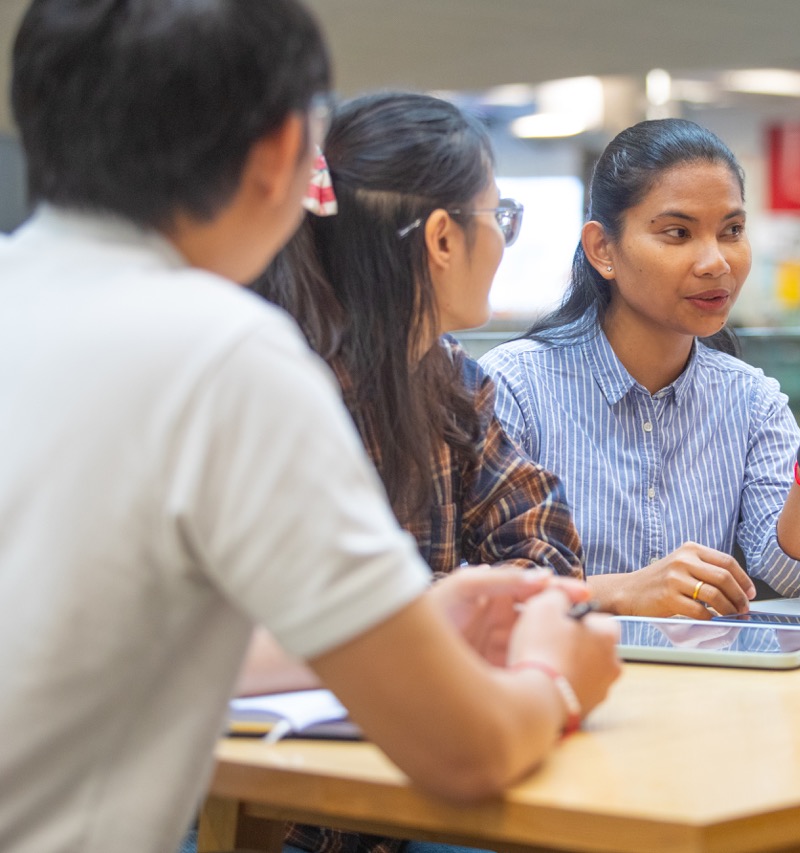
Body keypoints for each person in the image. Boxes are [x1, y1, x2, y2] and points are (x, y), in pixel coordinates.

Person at [0, 4, 620, 853]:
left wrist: (411, 626)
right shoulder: (226, 355)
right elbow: (465, 750)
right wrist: (555, 678)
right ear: (282, 152)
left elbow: (108, 648)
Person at [246, 90, 584, 853]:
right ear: (441, 238)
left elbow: (548, 554)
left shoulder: (454, 381)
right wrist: (456, 615)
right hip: (285, 811)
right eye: (501, 218)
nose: (503, 241)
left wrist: (451, 617)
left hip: (410, 795)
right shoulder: (281, 386)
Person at [479, 118, 800, 618]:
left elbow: (798, 573)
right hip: (556, 681)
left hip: (702, 682)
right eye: (678, 233)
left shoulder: (748, 397)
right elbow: (468, 580)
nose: (716, 261)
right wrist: (616, 591)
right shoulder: (514, 386)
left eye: (732, 230)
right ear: (603, 249)